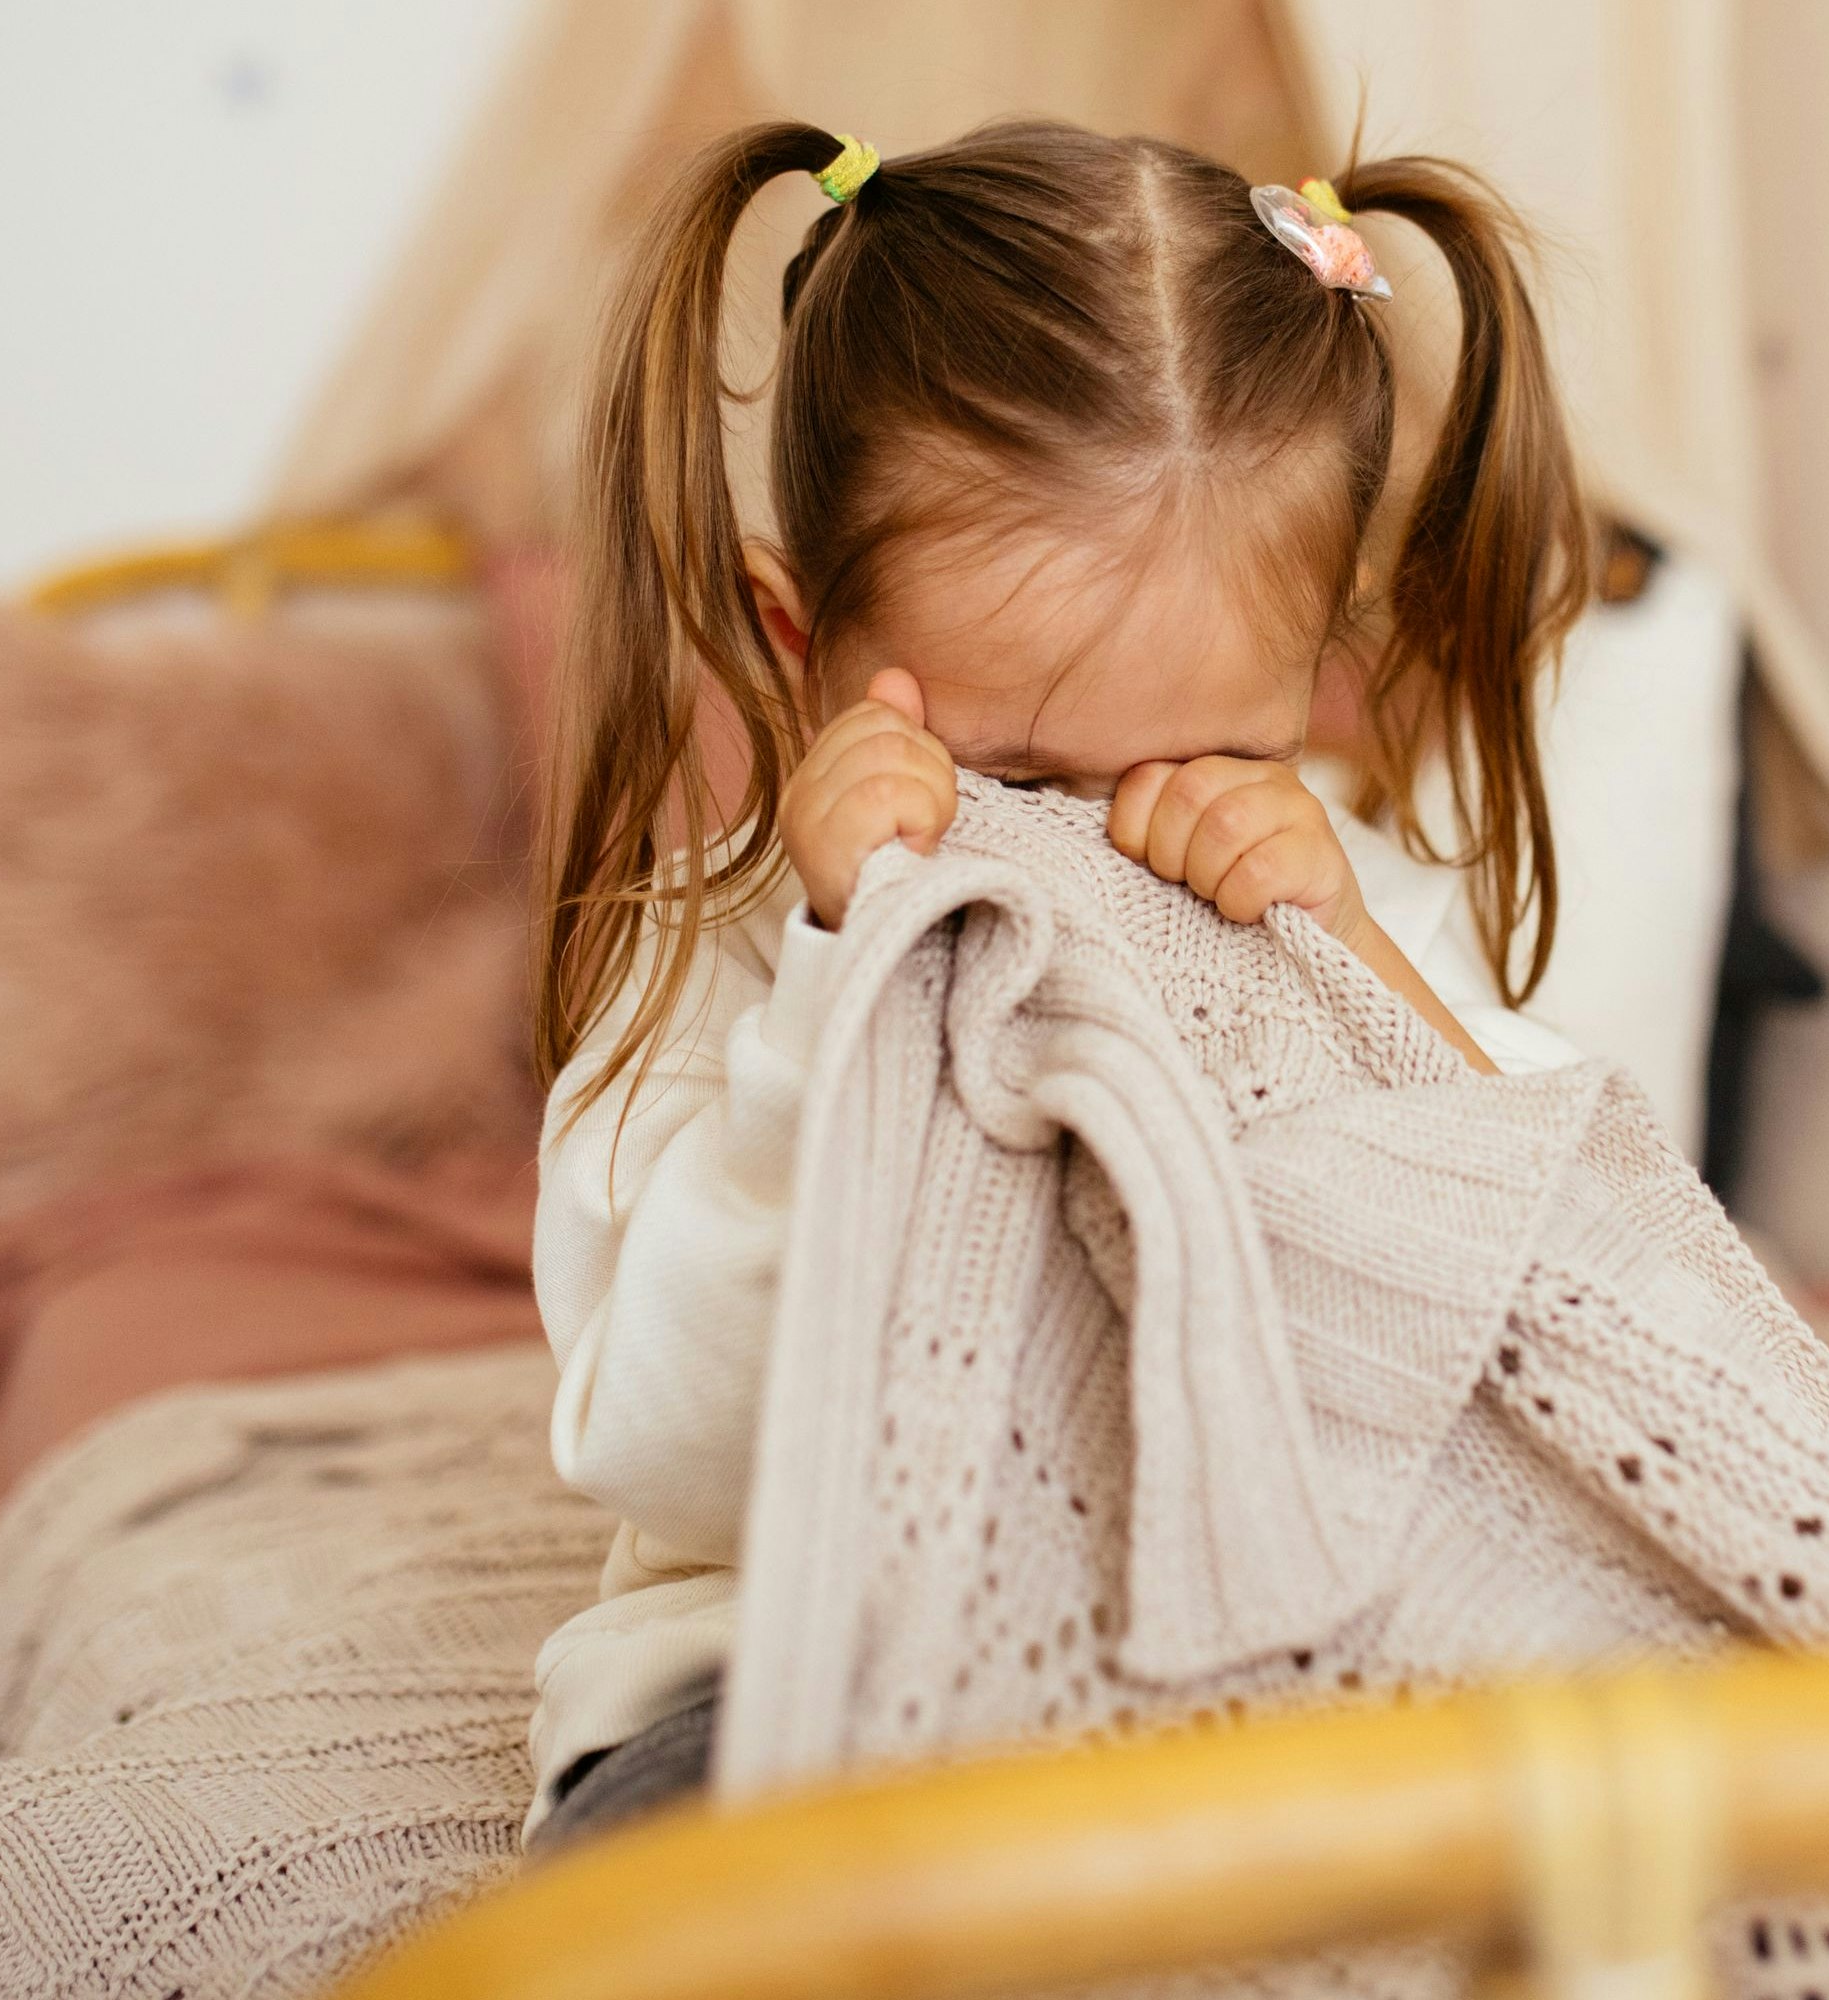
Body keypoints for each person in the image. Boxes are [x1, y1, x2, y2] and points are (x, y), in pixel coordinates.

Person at [522, 117, 1593, 1845]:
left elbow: (1562, 1282)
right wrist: (827, 999)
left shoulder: (1325, 896)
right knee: (697, 1893)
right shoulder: (712, 955)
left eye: (1218, 750)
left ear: (1318, 675)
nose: (1114, 839)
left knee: (1580, 1827)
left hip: (1280, 1642)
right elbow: (673, 1450)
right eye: (1022, 779)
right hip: (795, 1665)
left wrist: (1364, 965)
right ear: (803, 650)